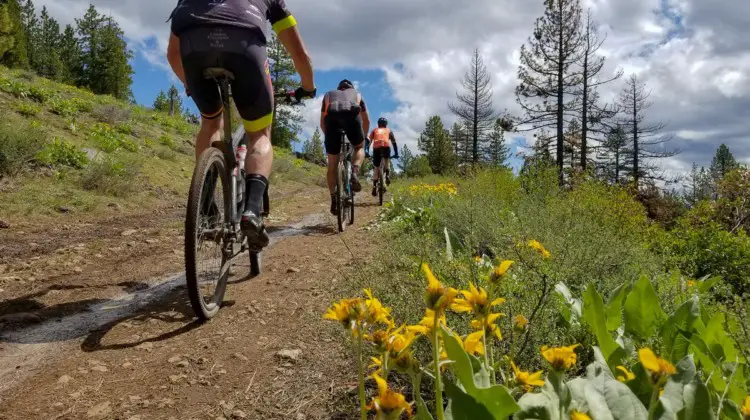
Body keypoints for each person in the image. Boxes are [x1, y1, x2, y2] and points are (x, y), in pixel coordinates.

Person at [166, 0, 316, 248]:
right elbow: (299, 54)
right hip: (244, 45)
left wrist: (189, 84)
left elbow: (172, 54)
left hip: (194, 46)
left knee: (211, 122)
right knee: (259, 133)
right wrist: (308, 88)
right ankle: (252, 211)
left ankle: (204, 204)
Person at [320, 80, 370, 215]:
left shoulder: (328, 95)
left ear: (339, 88)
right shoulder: (357, 94)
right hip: (352, 119)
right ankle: (354, 172)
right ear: (351, 88)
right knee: (359, 147)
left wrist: (329, 138)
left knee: (332, 166)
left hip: (332, 122)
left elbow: (322, 121)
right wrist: (363, 137)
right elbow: (366, 120)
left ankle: (333, 199)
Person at [366, 117, 399, 196]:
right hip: (386, 147)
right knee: (387, 159)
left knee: (376, 167)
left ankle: (374, 186)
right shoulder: (389, 130)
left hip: (376, 148)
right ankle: (387, 175)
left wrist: (366, 151)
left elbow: (369, 142)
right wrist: (396, 153)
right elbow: (394, 143)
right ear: (386, 124)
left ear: (378, 124)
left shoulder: (374, 130)